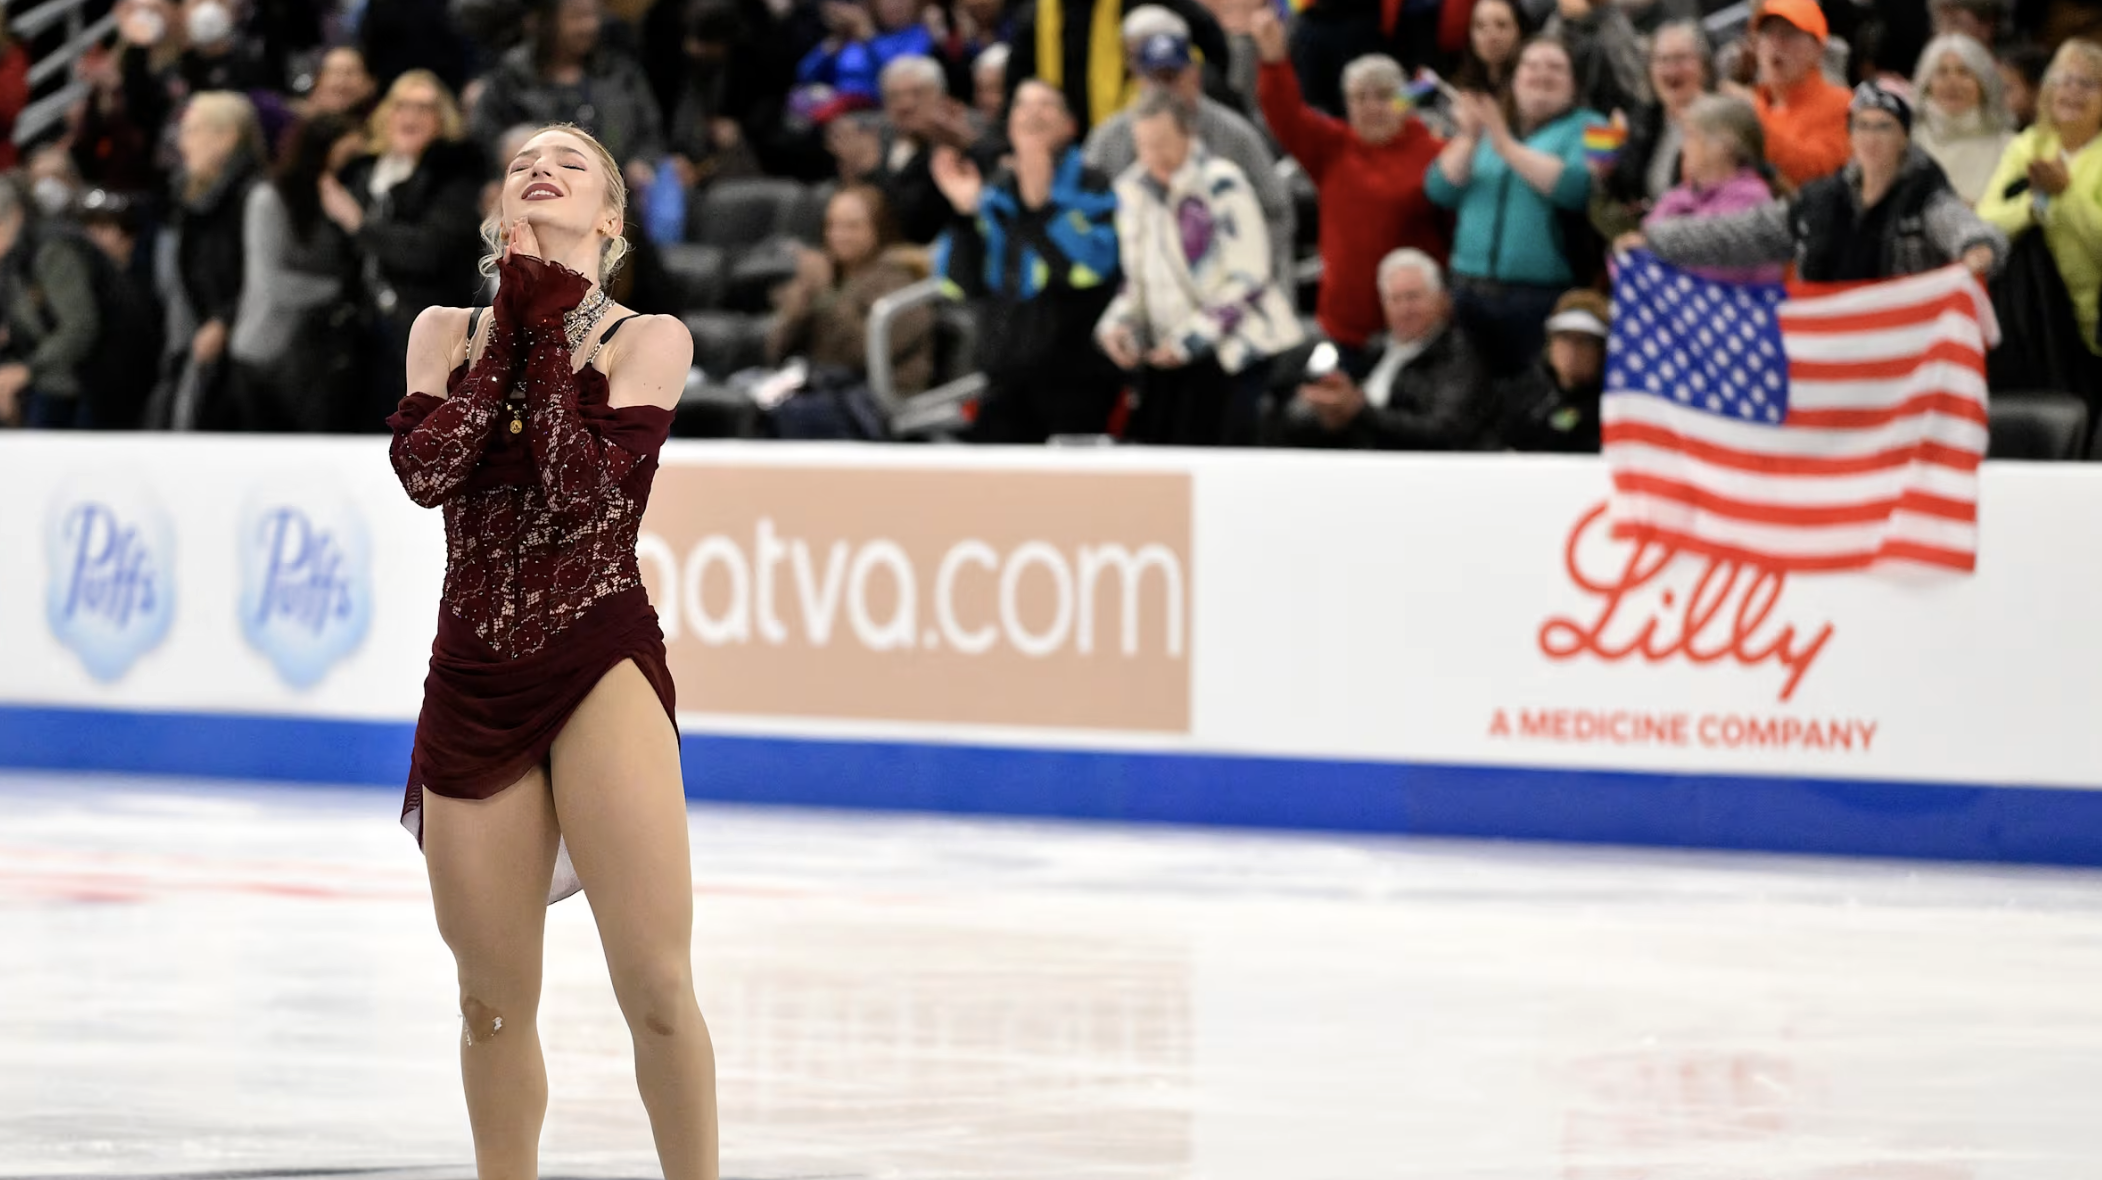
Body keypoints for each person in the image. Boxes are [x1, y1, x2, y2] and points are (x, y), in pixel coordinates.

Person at [385, 123, 712, 1179]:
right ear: (498, 209)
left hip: (597, 657)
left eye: (571, 163)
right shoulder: (445, 331)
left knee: (655, 988)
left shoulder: (649, 339)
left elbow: (583, 495)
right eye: (524, 160)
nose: (541, 168)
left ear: (610, 218)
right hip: (472, 673)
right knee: (487, 999)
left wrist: (545, 326)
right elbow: (428, 474)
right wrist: (515, 329)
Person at [1631, 83, 2004, 283]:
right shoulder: (1821, 200)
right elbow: (1742, 232)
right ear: (1850, 136)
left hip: (1906, 349)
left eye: (1884, 128)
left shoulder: (1924, 197)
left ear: (1904, 138)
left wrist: (1979, 247)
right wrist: (1656, 239)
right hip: (1834, 350)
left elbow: (1963, 226)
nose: (1872, 138)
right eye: (1863, 127)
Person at [1096, 92, 1302, 445]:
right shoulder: (1131, 190)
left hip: (1233, 356)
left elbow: (1250, 277)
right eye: (1144, 145)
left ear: (1189, 135)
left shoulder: (1221, 182)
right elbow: (1136, 280)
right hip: (1169, 358)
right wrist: (1117, 324)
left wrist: (1190, 341)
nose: (1153, 155)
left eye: (1163, 143)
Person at [931, 79, 1123, 442]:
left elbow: (1090, 272)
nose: (1033, 112)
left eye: (1046, 104)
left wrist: (1041, 211)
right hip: (1004, 374)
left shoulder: (1094, 184)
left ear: (1070, 125)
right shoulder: (994, 190)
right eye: (1022, 104)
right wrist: (964, 214)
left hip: (1076, 379)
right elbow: (957, 287)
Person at [1252, 5, 1446, 360]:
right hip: (1342, 329)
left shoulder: (1435, 154)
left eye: (1383, 96)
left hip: (1414, 333)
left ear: (1405, 101)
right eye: (1359, 98)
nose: (1371, 108)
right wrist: (1273, 59)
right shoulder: (1333, 147)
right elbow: (1284, 112)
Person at [1428, 37, 1599, 377]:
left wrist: (1504, 143)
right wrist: (1470, 138)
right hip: (1467, 287)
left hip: (1539, 296)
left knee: (1532, 394)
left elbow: (1575, 187)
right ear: (1515, 78)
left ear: (1573, 83)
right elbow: (1439, 190)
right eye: (1531, 66)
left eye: (1555, 68)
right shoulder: (1489, 129)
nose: (1542, 75)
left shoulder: (1589, 125)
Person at [1084, 13, 1291, 281]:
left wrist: (1245, 271)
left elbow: (1276, 211)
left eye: (1173, 77)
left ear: (1194, 74)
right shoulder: (1109, 140)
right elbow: (1088, 214)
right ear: (1138, 81)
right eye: (1156, 79)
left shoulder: (1235, 135)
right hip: (1145, 282)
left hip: (1230, 281)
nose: (1165, 89)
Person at [334, 71, 488, 429]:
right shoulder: (361, 174)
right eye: (402, 105)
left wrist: (359, 226)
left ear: (442, 119)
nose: (411, 116)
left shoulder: (456, 179)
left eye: (424, 108)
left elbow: (427, 251)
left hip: (420, 328)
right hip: (357, 329)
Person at [1277, 247, 1493, 450]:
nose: (1404, 309)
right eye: (1395, 299)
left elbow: (1443, 433)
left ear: (1442, 299)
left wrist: (1358, 411)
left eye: (1413, 297)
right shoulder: (1374, 350)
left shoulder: (1458, 356)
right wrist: (1327, 410)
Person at [229, 114, 365, 432]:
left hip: (322, 352)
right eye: (347, 157)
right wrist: (344, 289)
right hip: (266, 351)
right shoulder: (269, 199)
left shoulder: (344, 203)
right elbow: (273, 284)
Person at [1977, 40, 2102, 383]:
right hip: (2037, 320)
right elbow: (1986, 221)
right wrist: (2035, 206)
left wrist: (2066, 195)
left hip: (2094, 318)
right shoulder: (2027, 146)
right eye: (2064, 80)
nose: (2073, 91)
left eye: (2087, 83)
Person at [468, 0, 666, 188]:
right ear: (546, 20)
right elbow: (486, 139)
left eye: (594, 15)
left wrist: (642, 162)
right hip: (537, 193)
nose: (589, 26)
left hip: (617, 193)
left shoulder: (620, 74)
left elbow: (650, 131)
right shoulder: (511, 79)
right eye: (577, 17)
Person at [158, 91, 265, 431]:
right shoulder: (192, 197)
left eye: (193, 131)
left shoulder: (254, 196)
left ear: (227, 137)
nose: (182, 143)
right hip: (203, 334)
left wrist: (224, 320)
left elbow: (262, 274)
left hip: (247, 350)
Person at [768, 184, 933, 392]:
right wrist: (798, 307)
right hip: (820, 384)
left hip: (871, 399)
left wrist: (826, 295)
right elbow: (775, 353)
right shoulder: (826, 273)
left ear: (879, 228)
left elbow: (863, 356)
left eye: (852, 226)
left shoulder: (901, 285)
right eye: (831, 225)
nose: (838, 235)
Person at [1003, 0, 1232, 131]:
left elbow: (1214, 51)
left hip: (1142, 129)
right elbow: (1014, 91)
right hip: (1065, 151)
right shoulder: (1035, 16)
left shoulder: (1148, 3)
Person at [1589, 20, 1712, 242]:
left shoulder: (1723, 121)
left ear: (1703, 65)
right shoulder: (1644, 120)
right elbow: (1628, 193)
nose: (1671, 69)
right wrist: (1606, 171)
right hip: (1656, 243)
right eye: (1662, 60)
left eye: (1681, 58)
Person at [1640, 95, 1782, 285]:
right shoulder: (1679, 195)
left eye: (1691, 136)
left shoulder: (1750, 199)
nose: (1683, 147)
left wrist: (1651, 250)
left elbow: (1719, 269)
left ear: (1724, 146)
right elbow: (1638, 250)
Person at [0, 182, 101, 428]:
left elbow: (79, 326)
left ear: (15, 216)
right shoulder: (14, 256)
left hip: (97, 378)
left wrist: (28, 369)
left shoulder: (52, 250)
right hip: (56, 374)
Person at [1746, 0, 1852, 188]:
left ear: (1818, 49)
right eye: (1767, 33)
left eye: (1789, 34)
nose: (1776, 44)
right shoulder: (1753, 104)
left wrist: (1753, 128)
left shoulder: (1842, 104)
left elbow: (1819, 172)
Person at [1496, 287, 1607, 452]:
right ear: (1550, 343)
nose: (1572, 350)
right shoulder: (1524, 391)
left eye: (1585, 340)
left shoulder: (1609, 406)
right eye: (1564, 337)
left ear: (1601, 350)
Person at [1914, 34, 2017, 206]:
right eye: (1942, 72)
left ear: (1984, 84)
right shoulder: (1907, 141)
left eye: (1964, 72)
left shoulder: (2010, 146)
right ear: (1926, 84)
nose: (1952, 83)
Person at [1542, 0, 1648, 117]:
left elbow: (1631, 85)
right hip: (1559, 112)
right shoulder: (1559, 20)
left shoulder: (1614, 25)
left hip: (1606, 113)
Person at [1450, 0, 1529, 97]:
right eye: (1480, 26)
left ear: (1519, 31)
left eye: (1501, 25)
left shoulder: (1530, 85)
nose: (1491, 36)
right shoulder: (1460, 85)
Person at [304, 45, 378, 121]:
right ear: (319, 81)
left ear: (369, 83)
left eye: (350, 73)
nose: (341, 81)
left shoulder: (378, 119)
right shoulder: (302, 120)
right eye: (334, 73)